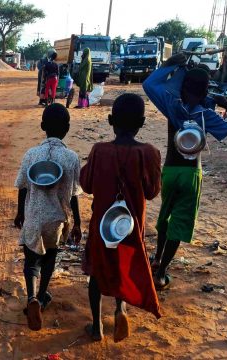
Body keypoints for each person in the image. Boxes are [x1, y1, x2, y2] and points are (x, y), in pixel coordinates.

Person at [143, 54, 227, 291]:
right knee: (180, 222)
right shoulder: (207, 115)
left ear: (182, 85)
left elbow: (149, 84)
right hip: (191, 174)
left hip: (169, 171)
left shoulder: (171, 105)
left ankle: (157, 258)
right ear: (207, 90)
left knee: (165, 218)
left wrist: (172, 65)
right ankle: (161, 273)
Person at [80, 93, 162, 342]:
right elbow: (152, 191)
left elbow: (87, 185)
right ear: (142, 122)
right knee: (123, 266)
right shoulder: (149, 153)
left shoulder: (100, 151)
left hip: (102, 225)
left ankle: (96, 327)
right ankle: (120, 308)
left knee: (96, 271)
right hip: (131, 226)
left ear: (110, 119)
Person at [14, 103, 82, 331]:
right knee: (50, 259)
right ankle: (42, 296)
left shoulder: (31, 154)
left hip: (33, 216)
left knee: (31, 261)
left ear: (42, 126)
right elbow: (73, 195)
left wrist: (19, 213)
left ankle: (31, 297)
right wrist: (78, 223)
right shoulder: (71, 158)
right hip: (57, 219)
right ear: (68, 128)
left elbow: (22, 187)